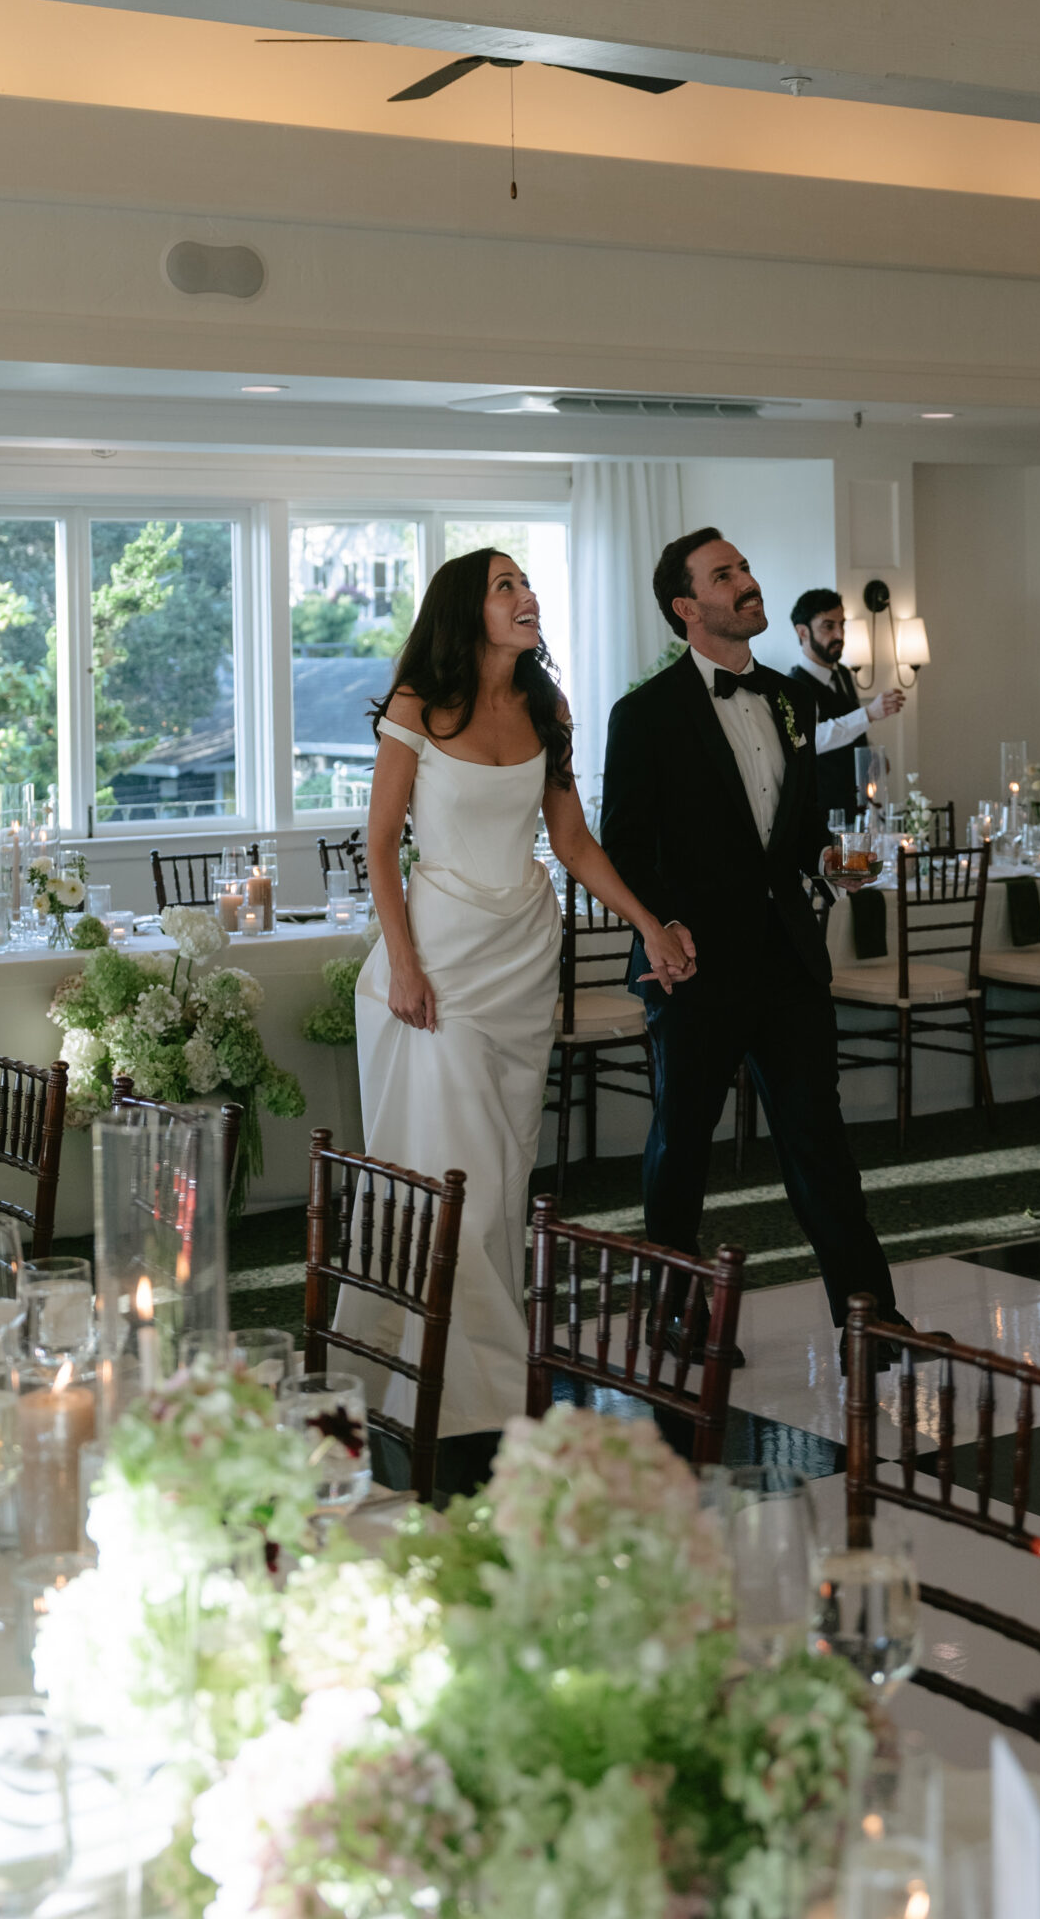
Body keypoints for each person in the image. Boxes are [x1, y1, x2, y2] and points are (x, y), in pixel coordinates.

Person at [351, 547, 695, 1437]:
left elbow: (573, 842)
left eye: (525, 583)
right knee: (460, 1159)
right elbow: (380, 843)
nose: (526, 595)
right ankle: (470, 1372)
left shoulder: (548, 708)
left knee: (505, 1162)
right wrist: (402, 963)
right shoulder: (417, 705)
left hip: (522, 953)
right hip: (441, 959)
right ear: (467, 609)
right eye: (504, 586)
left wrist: (650, 925)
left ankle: (483, 1351)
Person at [602, 529, 901, 1362]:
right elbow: (622, 845)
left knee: (819, 1143)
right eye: (723, 574)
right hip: (692, 961)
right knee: (681, 1142)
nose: (746, 581)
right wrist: (658, 928)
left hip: (785, 955)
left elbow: (794, 829)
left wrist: (826, 859)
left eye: (744, 568)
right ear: (686, 607)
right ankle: (674, 1315)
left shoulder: (788, 700)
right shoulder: (644, 714)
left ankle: (868, 1318)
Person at [790, 586, 907, 827]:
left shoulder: (844, 674)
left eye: (842, 625)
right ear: (802, 632)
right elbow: (811, 739)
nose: (840, 634)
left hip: (859, 806)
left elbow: (848, 725)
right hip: (824, 815)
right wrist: (869, 713)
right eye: (828, 626)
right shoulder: (794, 686)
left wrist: (872, 755)